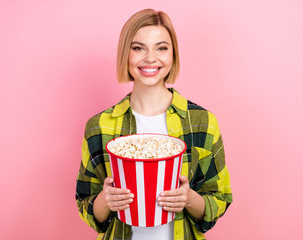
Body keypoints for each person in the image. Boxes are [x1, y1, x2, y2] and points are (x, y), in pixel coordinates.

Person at [76, 9, 233, 240]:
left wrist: (188, 198)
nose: (150, 58)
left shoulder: (203, 123)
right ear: (125, 55)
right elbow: (86, 207)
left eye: (161, 48)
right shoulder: (99, 126)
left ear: (173, 55)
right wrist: (105, 200)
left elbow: (220, 200)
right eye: (138, 48)